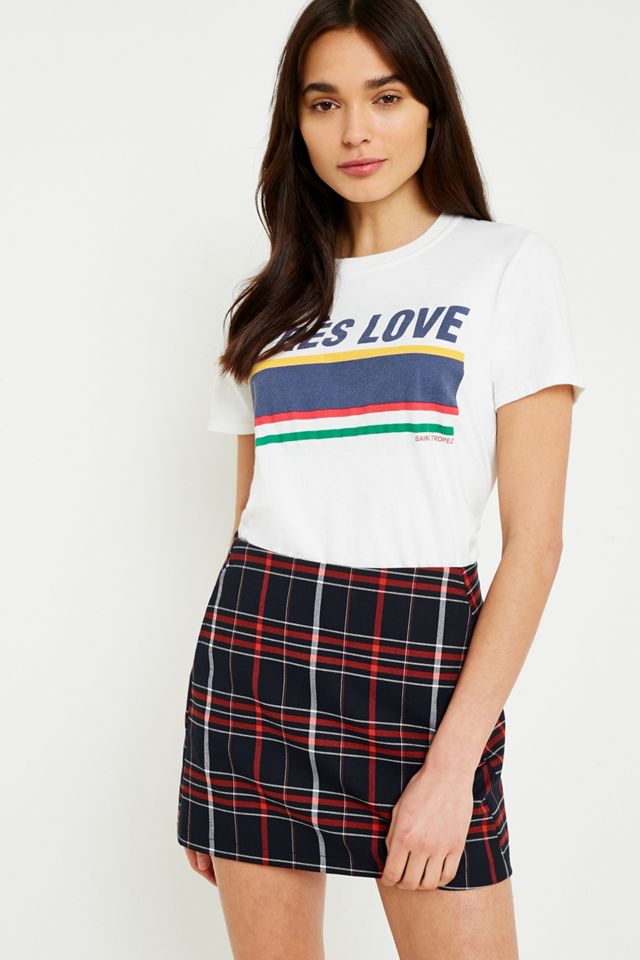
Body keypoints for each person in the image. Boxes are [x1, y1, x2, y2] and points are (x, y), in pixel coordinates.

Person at [176, 1, 585, 957]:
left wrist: (454, 767)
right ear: (298, 123)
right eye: (324, 103)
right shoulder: (267, 306)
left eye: (386, 97)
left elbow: (535, 544)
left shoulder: (504, 267)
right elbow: (249, 523)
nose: (355, 130)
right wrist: (209, 752)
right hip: (257, 659)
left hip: (421, 663)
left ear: (431, 105)